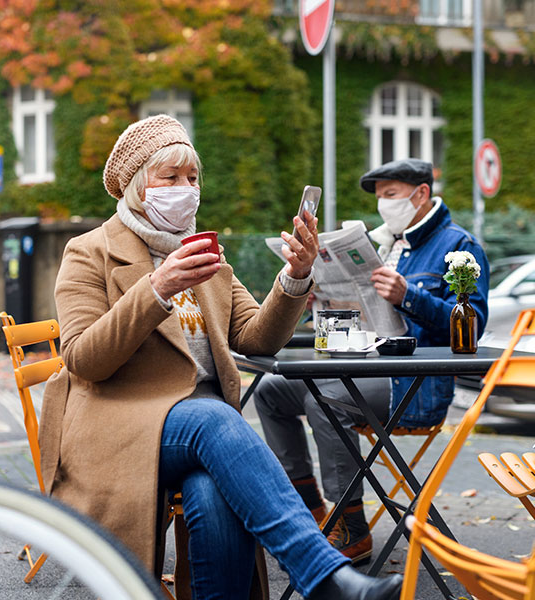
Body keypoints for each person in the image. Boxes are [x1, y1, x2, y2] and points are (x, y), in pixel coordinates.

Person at [38, 115, 402, 600]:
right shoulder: (89, 252)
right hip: (119, 428)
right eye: (170, 178)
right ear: (136, 189)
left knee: (213, 492)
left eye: (192, 178)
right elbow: (83, 359)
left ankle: (317, 579)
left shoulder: (205, 254)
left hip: (206, 439)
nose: (186, 189)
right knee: (213, 418)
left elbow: (255, 338)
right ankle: (323, 574)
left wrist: (295, 276)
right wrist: (157, 288)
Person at [254, 158, 490, 564]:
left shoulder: (459, 246)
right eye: (380, 197)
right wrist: (319, 300)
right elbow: (366, 316)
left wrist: (409, 297)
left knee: (327, 396)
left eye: (391, 195)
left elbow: (473, 328)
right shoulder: (387, 243)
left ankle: (352, 527)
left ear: (421, 194)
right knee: (272, 391)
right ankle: (309, 509)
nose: (383, 204)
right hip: (364, 367)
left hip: (413, 385)